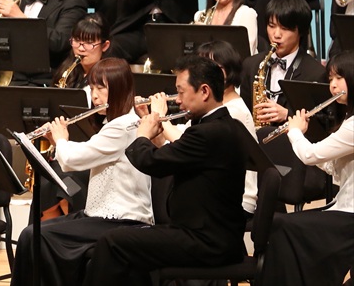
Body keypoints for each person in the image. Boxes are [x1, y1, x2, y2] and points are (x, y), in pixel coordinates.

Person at [84, 55, 249, 286]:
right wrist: (150, 123)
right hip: (210, 235)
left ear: (204, 91)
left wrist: (142, 134)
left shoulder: (208, 132)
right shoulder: (219, 126)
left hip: (206, 241)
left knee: (112, 241)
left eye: (181, 92)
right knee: (126, 247)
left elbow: (150, 163)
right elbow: (173, 156)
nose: (178, 101)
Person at [11, 58, 153, 286]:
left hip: (122, 220)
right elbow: (86, 152)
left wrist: (61, 138)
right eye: (92, 88)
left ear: (119, 88)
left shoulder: (124, 126)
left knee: (34, 236)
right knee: (32, 233)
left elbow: (73, 159)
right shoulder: (114, 124)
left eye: (101, 88)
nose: (94, 95)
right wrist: (57, 142)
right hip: (99, 215)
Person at [261, 51, 354, 286]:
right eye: (330, 79)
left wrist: (294, 131)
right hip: (344, 208)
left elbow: (310, 155)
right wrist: (304, 137)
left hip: (350, 215)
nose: (333, 86)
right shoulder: (349, 120)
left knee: (286, 227)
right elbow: (332, 167)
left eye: (339, 78)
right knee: (281, 225)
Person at [145, 40, 259, 217]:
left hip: (235, 201)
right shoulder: (207, 109)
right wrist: (152, 125)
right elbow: (179, 143)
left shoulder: (234, 111)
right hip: (210, 191)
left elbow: (184, 142)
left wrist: (159, 116)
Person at [240, 0, 327, 127]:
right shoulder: (251, 65)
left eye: (285, 28)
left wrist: (287, 115)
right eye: (271, 26)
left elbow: (322, 124)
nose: (276, 35)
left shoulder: (316, 73)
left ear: (301, 31)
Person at [52, 13, 113, 100]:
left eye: (89, 43)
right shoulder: (66, 71)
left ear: (105, 46)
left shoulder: (111, 76)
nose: (81, 48)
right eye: (76, 40)